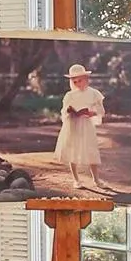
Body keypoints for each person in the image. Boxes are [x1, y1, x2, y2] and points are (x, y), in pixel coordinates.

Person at [51, 61, 107, 189]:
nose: (77, 84)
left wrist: (90, 112)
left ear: (86, 79)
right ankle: (76, 179)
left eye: (80, 81)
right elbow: (64, 110)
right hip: (73, 125)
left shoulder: (93, 93)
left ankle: (96, 179)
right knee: (73, 151)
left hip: (86, 125)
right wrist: (69, 112)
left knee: (91, 150)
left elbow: (101, 111)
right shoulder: (69, 95)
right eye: (74, 82)